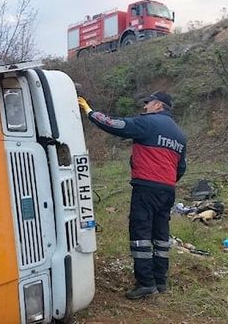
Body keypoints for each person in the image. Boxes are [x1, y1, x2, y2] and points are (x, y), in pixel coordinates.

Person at [78, 91, 187, 299]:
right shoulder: (179, 135)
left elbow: (116, 125)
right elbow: (181, 168)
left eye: (148, 103)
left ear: (158, 106)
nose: (144, 107)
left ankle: (146, 283)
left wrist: (90, 112)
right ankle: (160, 280)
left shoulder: (148, 123)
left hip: (146, 187)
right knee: (160, 235)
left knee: (141, 234)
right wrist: (166, 181)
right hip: (167, 190)